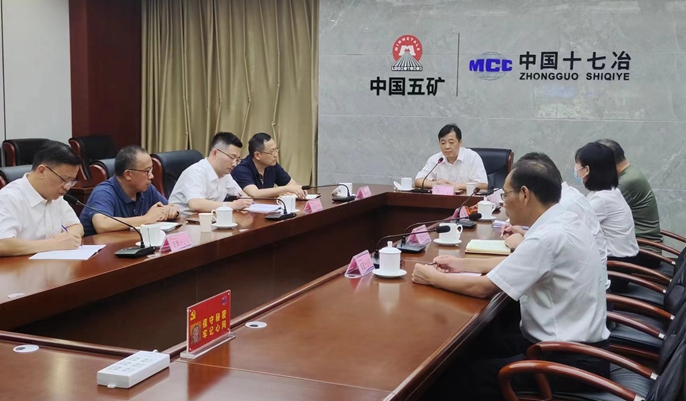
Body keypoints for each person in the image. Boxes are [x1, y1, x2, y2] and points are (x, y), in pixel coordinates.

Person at [413, 159, 609, 400]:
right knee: (474, 348)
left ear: (525, 194)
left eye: (505, 195)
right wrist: (462, 264)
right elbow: (518, 265)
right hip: (574, 349)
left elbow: (483, 288)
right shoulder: (564, 220)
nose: (504, 203)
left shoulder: (547, 237)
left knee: (454, 379)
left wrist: (432, 277)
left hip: (566, 363)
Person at [501, 152, 608, 269]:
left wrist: (520, 243)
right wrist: (525, 234)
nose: (504, 202)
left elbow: (544, 248)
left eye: (506, 194)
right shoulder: (567, 195)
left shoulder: (564, 205)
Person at [0, 141, 84, 257]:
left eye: (72, 181)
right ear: (41, 171)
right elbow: (3, 244)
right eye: (64, 179)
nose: (67, 187)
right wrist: (53, 244)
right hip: (19, 267)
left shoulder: (56, 196)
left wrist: (68, 238)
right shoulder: (9, 198)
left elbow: (76, 226)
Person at [79, 145, 179, 236]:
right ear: (128, 174)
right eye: (147, 171)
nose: (151, 176)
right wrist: (146, 219)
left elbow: (169, 207)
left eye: (151, 170)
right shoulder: (103, 192)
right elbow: (102, 225)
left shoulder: (147, 189)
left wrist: (172, 210)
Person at [597, 138, 662, 268]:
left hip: (643, 251)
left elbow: (590, 216)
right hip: (635, 246)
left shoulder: (624, 183)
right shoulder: (629, 173)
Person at [575, 143, 639, 269]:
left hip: (615, 265)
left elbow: (576, 228)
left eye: (577, 165)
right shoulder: (611, 192)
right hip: (622, 260)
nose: (575, 169)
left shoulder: (601, 200)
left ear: (586, 170)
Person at [169, 132, 252, 214]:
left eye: (237, 160)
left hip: (208, 218)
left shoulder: (225, 174)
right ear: (215, 153)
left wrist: (246, 201)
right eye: (232, 157)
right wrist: (232, 205)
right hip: (183, 220)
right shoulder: (196, 172)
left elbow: (241, 194)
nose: (234, 164)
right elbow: (196, 204)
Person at [414, 124, 488, 191]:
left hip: (467, 199)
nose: (447, 147)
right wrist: (433, 184)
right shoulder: (436, 159)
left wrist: (457, 186)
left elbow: (483, 184)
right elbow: (418, 181)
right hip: (441, 200)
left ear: (460, 143)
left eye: (451, 142)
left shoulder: (472, 157)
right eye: (443, 143)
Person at [231, 133, 306, 198]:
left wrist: (297, 190)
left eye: (276, 150)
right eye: (272, 152)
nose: (276, 155)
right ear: (257, 155)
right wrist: (287, 189)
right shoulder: (241, 169)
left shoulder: (272, 165)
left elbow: (291, 184)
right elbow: (255, 194)